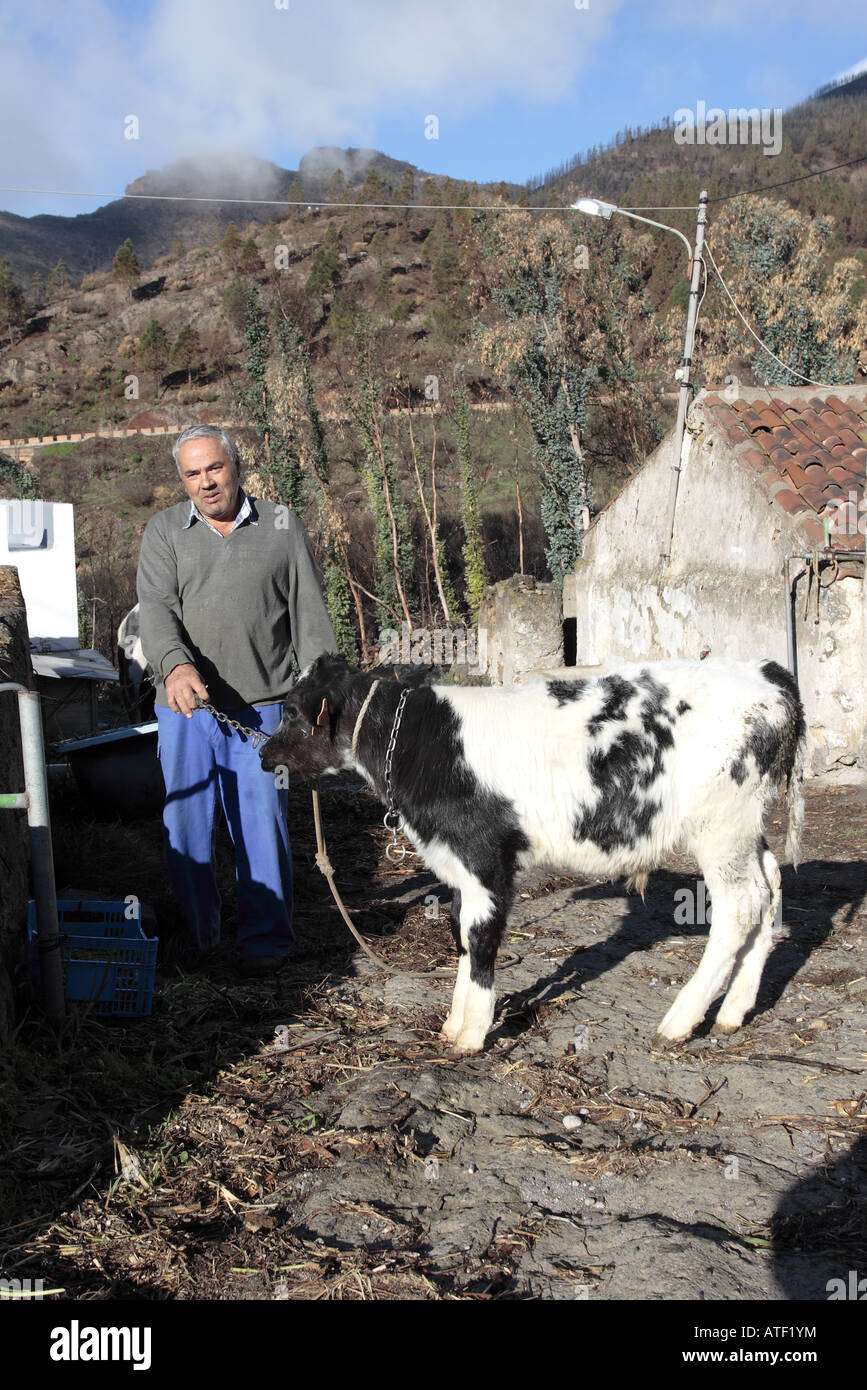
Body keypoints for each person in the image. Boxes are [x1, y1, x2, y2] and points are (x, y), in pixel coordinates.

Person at [136, 424, 337, 976]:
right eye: (192, 474)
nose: (205, 483)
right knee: (186, 823)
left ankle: (265, 942)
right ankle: (200, 939)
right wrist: (174, 665)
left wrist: (319, 695)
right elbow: (155, 610)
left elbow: (309, 616)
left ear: (237, 465)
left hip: (262, 710)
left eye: (214, 468)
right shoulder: (163, 531)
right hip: (184, 709)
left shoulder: (279, 524)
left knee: (260, 821)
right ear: (182, 480)